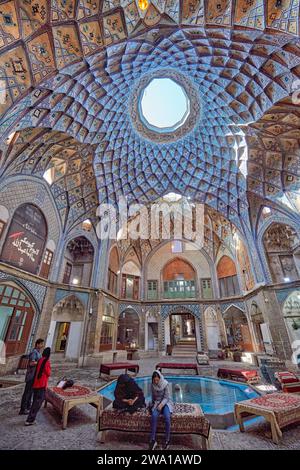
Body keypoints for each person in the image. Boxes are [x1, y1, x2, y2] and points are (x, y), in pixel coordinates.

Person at [25, 347, 51, 426]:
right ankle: (30, 419)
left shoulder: (39, 360)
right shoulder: (47, 361)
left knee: (35, 401)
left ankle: (30, 417)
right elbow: (48, 373)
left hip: (36, 384)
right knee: (38, 401)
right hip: (42, 384)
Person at [149, 370, 173, 450]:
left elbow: (167, 397)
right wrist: (152, 405)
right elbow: (153, 396)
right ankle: (152, 440)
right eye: (154, 380)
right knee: (154, 416)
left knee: (167, 418)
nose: (156, 382)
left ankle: (167, 440)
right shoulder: (152, 385)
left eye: (157, 380)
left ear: (160, 378)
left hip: (165, 403)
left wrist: (161, 405)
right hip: (157, 403)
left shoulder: (165, 384)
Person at [19, 338, 44, 415]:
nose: (42, 345)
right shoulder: (34, 352)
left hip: (35, 375)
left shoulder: (38, 353)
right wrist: (40, 363)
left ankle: (28, 406)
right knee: (27, 392)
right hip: (31, 375)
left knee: (31, 392)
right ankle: (23, 409)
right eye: (41, 344)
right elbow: (31, 363)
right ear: (37, 344)